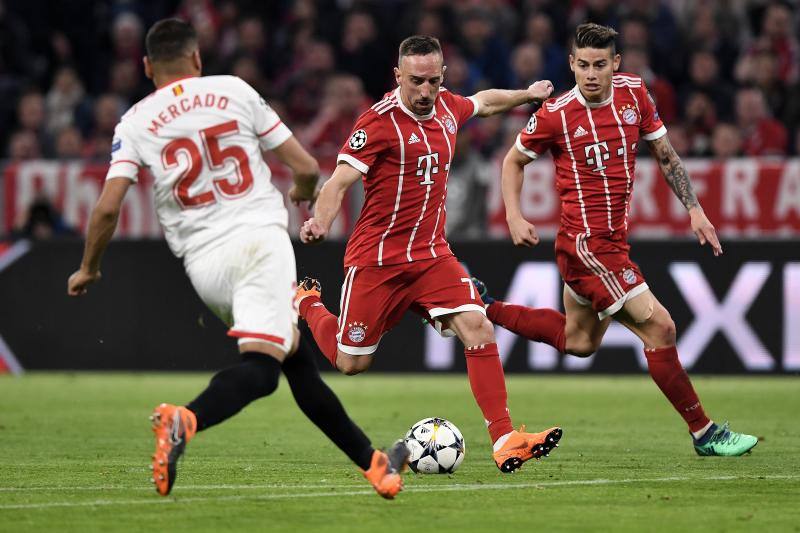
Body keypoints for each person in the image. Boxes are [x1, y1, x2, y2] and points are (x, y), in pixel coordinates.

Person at [66, 18, 408, 499]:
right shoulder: (232, 90)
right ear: (198, 59)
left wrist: (89, 268)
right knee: (264, 372)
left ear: (146, 67)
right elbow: (307, 167)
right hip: (258, 245)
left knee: (295, 359)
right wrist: (302, 193)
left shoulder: (135, 122)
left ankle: (376, 467)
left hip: (204, 268)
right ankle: (185, 419)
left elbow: (106, 209)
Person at [486, 22, 757, 457]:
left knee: (580, 341)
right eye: (582, 65)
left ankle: (486, 307)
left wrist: (694, 209)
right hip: (587, 246)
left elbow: (665, 155)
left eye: (599, 65)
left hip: (612, 242)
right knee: (661, 326)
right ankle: (705, 432)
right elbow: (513, 161)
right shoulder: (556, 113)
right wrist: (515, 216)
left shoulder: (634, 94)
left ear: (615, 64)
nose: (590, 74)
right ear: (571, 64)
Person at [296, 35, 561, 474]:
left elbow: (484, 103)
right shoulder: (377, 123)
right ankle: (306, 302)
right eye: (416, 81)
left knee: (476, 325)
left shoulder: (446, 108)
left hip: (431, 255)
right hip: (377, 261)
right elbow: (338, 183)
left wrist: (526, 95)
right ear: (398, 76)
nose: (425, 91)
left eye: (433, 81)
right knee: (351, 363)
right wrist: (321, 222)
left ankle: (505, 438)